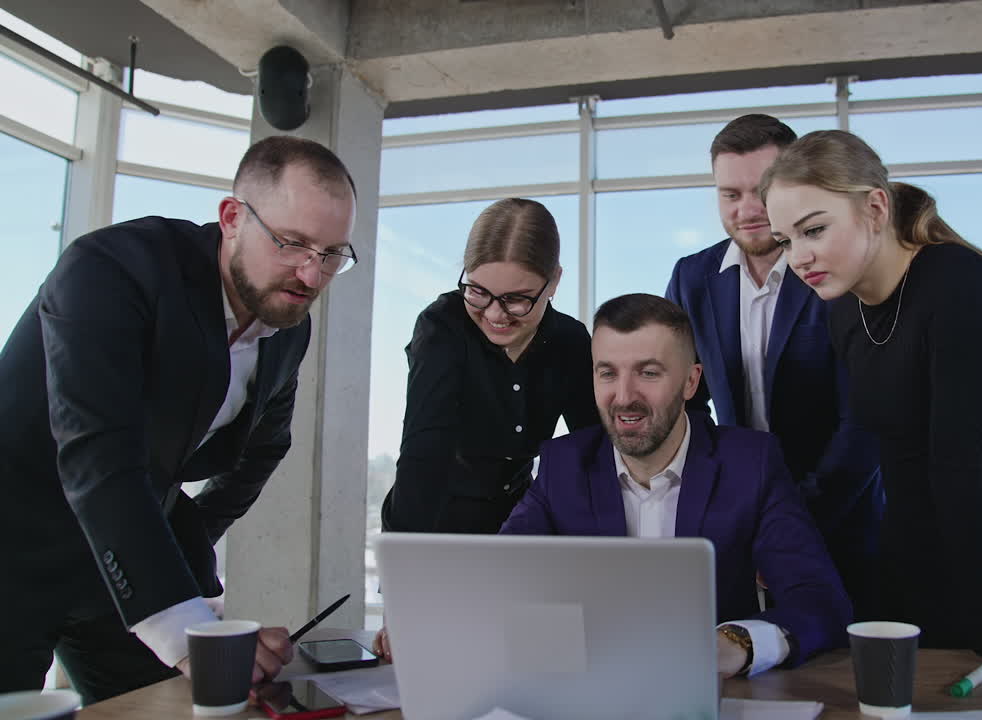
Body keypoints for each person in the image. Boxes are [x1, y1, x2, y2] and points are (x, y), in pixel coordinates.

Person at [0, 136, 360, 701]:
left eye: (333, 254)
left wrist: (182, 540)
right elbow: (101, 454)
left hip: (121, 564)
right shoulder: (110, 270)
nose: (311, 277)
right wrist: (185, 623)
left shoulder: (288, 327)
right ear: (232, 217)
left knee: (164, 711)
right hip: (12, 545)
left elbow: (264, 447)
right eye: (292, 244)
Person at [761, 129, 982, 662]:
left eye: (814, 229)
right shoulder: (841, 310)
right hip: (902, 570)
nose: (798, 256)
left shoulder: (960, 284)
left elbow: (958, 467)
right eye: (785, 240)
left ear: (876, 208)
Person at [505, 293, 851, 677]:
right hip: (590, 689)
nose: (624, 397)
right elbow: (500, 583)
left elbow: (821, 602)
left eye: (648, 373)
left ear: (690, 382)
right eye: (607, 373)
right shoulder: (562, 465)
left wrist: (735, 644)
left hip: (713, 695)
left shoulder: (751, 464)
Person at [665, 114, 882, 614]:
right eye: (729, 194)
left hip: (843, 523)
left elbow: (863, 423)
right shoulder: (692, 277)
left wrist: (793, 522)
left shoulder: (834, 268)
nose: (746, 210)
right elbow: (686, 403)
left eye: (760, 191)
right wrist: (724, 505)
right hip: (739, 528)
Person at [380, 198, 597, 536]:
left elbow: (593, 448)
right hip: (435, 520)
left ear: (553, 282)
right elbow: (424, 454)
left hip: (523, 522)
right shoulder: (442, 328)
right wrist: (408, 559)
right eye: (478, 292)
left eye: (516, 299)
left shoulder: (570, 340)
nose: (495, 314)